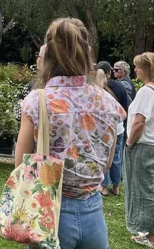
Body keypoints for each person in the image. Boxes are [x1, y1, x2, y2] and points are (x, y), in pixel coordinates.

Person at [15, 18, 126, 249]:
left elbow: (21, 164)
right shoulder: (108, 101)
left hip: (50, 216)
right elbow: (106, 163)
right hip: (94, 214)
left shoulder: (38, 100)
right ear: (87, 51)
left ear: (47, 55)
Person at [124, 52, 154, 247]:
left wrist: (129, 143)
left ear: (146, 69)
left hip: (142, 146)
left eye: (137, 67)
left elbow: (139, 122)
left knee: (143, 190)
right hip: (151, 145)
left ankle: (150, 235)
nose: (135, 70)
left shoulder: (146, 91)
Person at [96, 61, 128, 196]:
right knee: (117, 156)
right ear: (109, 72)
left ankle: (104, 186)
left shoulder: (97, 88)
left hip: (104, 127)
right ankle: (116, 186)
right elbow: (126, 106)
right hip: (119, 126)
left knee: (105, 154)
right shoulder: (119, 86)